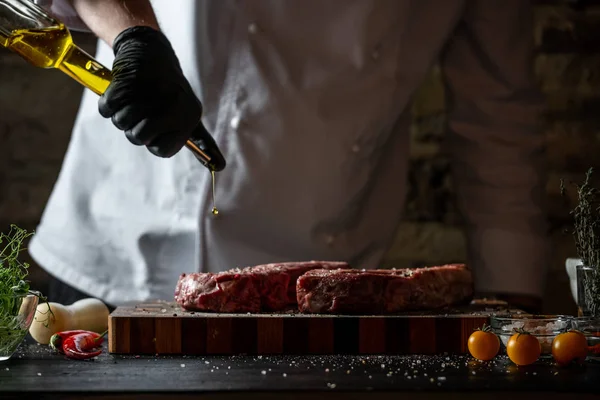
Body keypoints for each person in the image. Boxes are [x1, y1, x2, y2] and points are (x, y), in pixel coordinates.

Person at [30, 0, 548, 312]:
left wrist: (514, 297)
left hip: (317, 295)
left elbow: (497, 111)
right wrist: (133, 33)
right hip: (107, 250)